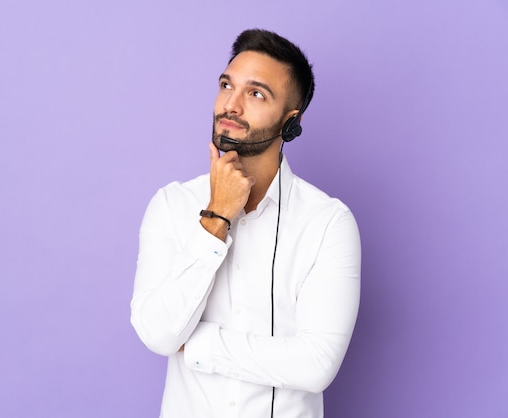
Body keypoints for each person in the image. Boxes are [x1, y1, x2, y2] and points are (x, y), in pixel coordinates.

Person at [131, 28, 361, 418]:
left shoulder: (327, 223)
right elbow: (157, 333)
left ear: (291, 122)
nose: (231, 105)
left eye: (256, 93)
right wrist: (217, 216)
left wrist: (197, 344)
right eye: (226, 85)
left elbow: (316, 365)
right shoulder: (172, 204)